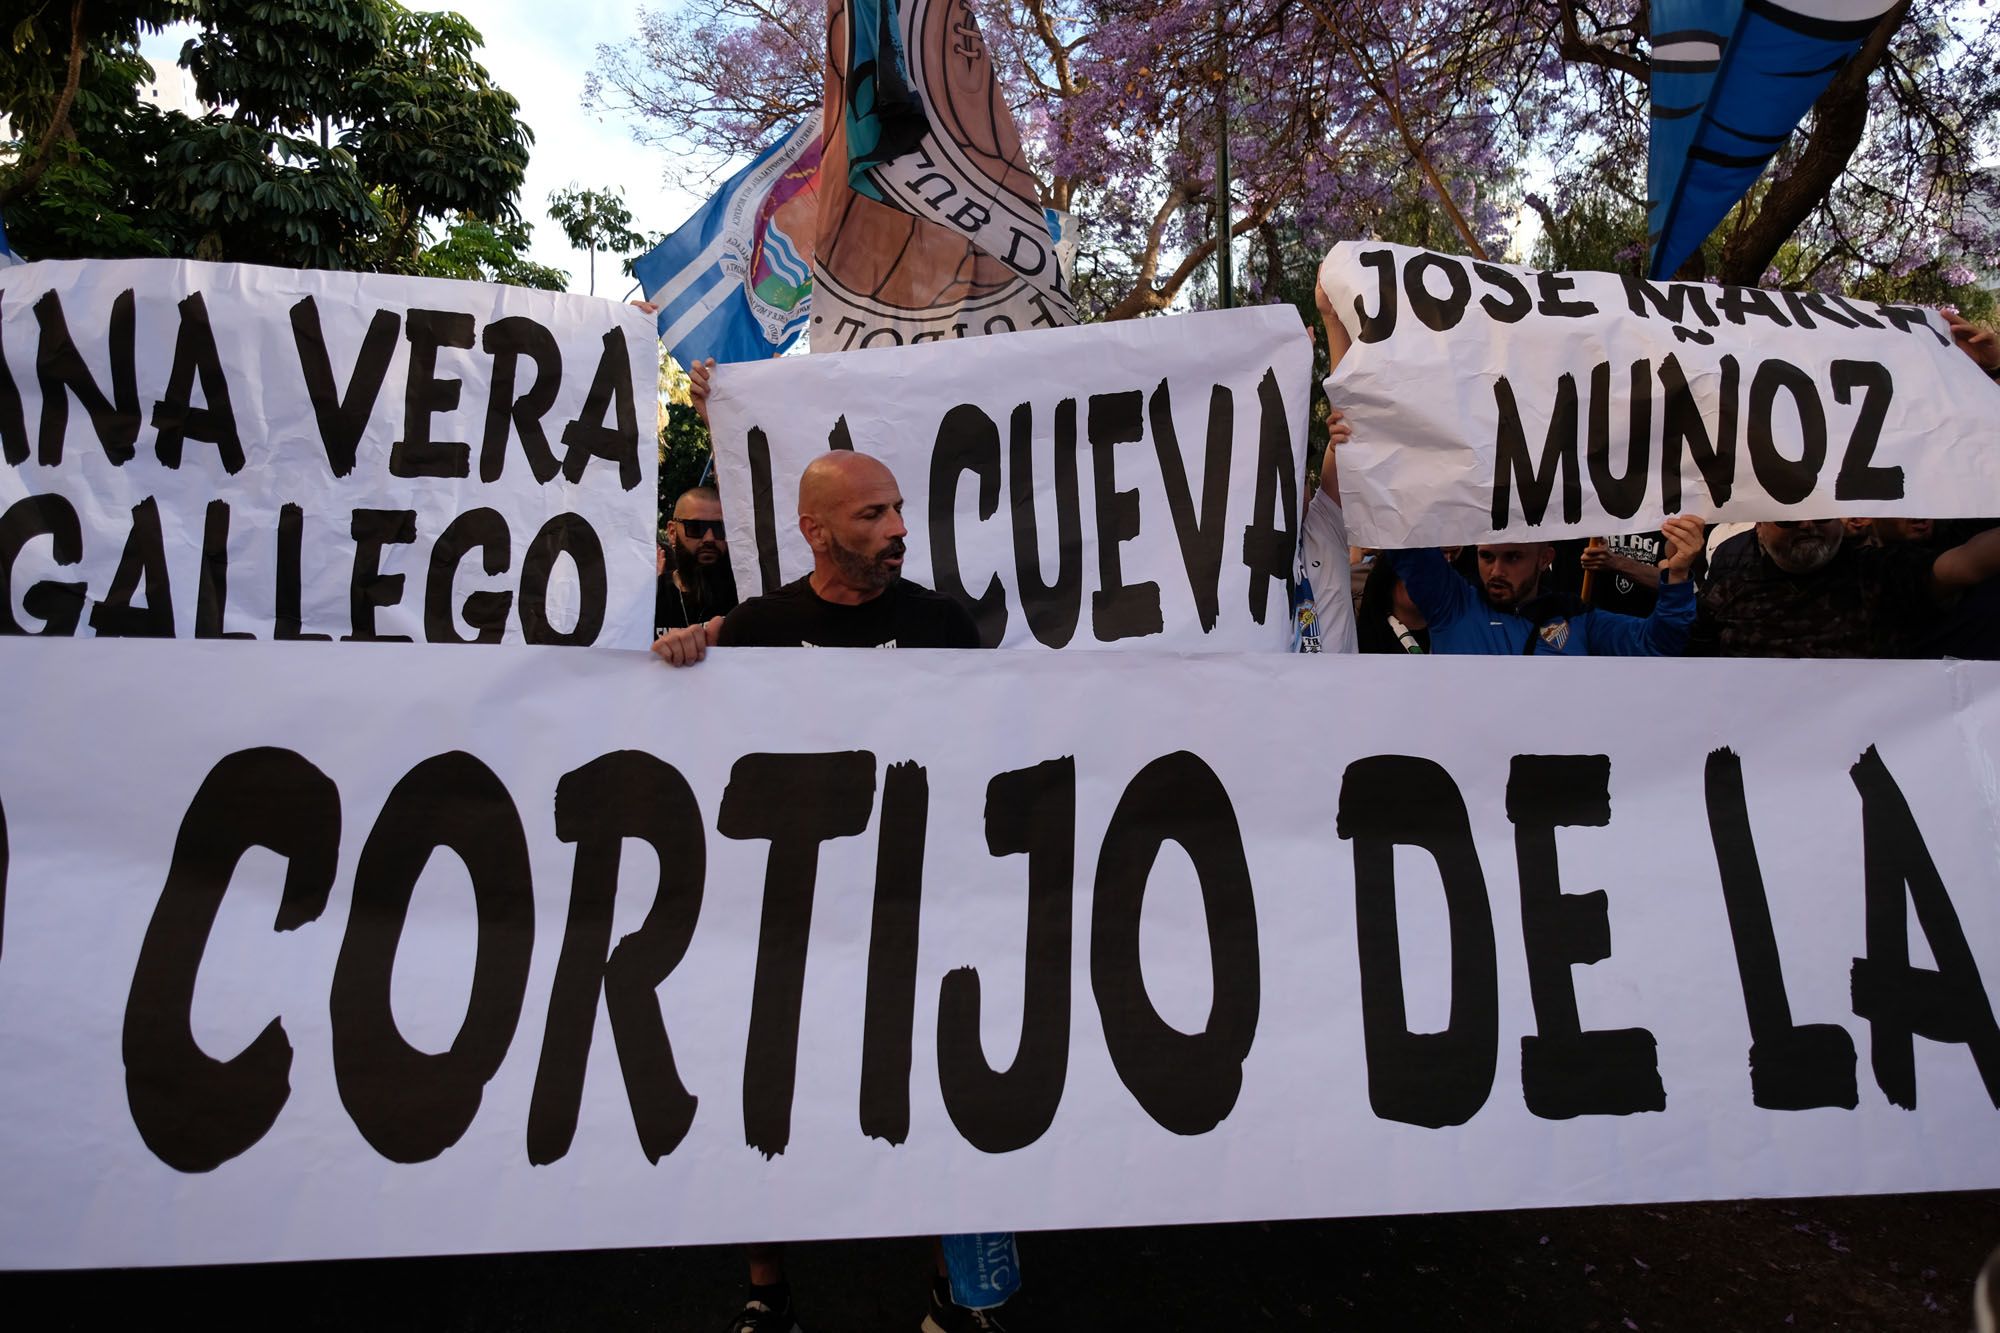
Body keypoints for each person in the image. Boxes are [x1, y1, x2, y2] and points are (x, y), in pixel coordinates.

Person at [654, 450, 1005, 1333]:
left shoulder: (943, 625)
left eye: (896, 511)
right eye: (870, 516)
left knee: (931, 1087)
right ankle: (766, 1291)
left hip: (911, 909)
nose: (895, 531)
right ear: (814, 531)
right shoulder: (760, 628)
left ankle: (951, 1292)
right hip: (787, 915)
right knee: (764, 1089)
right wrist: (686, 653)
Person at [1378, 515, 1705, 656]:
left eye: (1513, 557)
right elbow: (1396, 527)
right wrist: (1349, 450)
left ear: (1545, 558)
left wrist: (1675, 577)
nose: (1496, 571)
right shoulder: (1451, 604)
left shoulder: (1578, 618)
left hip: (1549, 788)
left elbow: (1657, 645)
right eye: (1487, 557)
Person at [1689, 517, 2000, 658]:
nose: (1807, 525)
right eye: (1788, 520)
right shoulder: (1727, 592)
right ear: (1759, 528)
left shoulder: (1881, 572)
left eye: (1822, 516)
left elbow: (1967, 563)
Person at [655, 484, 738, 639]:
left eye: (720, 528)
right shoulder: (650, 598)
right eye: (696, 527)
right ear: (672, 532)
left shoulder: (746, 591)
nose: (709, 538)